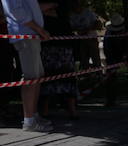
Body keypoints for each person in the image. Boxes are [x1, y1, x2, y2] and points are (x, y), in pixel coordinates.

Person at [2, 0, 52, 131]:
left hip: (31, 34)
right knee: (31, 78)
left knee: (37, 77)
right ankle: (29, 120)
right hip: (25, 34)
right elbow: (17, 12)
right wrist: (40, 30)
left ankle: (33, 116)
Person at [39, 0, 78, 120]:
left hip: (64, 46)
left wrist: (52, 7)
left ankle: (72, 111)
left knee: (68, 78)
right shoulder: (42, 15)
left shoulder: (63, 12)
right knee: (47, 78)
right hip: (48, 47)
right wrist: (51, 6)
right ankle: (45, 111)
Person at [102, 13, 128, 107]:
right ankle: (110, 100)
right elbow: (107, 49)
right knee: (110, 76)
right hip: (114, 57)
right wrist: (113, 64)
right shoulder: (109, 33)